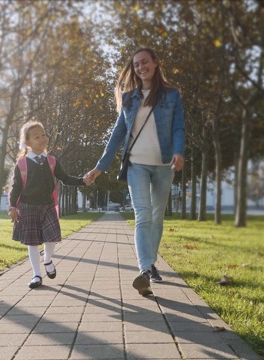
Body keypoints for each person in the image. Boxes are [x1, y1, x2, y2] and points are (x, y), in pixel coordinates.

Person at [85, 47, 185, 296]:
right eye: (136, 64)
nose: (141, 67)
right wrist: (100, 167)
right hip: (136, 164)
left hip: (164, 164)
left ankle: (150, 263)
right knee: (142, 215)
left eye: (145, 62)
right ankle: (144, 271)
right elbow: (117, 134)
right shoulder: (129, 98)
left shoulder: (172, 95)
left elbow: (178, 128)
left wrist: (179, 151)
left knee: (157, 216)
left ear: (155, 62)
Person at [9, 121, 92, 289]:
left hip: (48, 205)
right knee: (32, 242)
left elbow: (65, 178)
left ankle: (47, 259)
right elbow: (16, 186)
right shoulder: (22, 164)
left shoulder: (52, 161)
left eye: (44, 135)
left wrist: (83, 181)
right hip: (28, 206)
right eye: (36, 137)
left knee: (51, 238)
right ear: (27, 142)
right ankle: (36, 275)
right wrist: (12, 207)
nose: (42, 139)